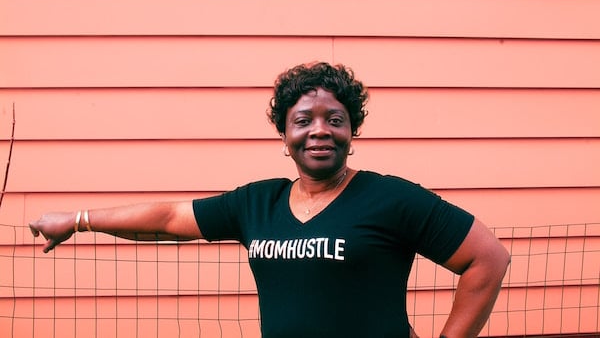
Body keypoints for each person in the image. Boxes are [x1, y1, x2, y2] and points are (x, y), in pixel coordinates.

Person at [29, 62, 510, 338]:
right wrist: (78, 219)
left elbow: (487, 258)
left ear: (351, 132)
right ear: (284, 136)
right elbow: (171, 215)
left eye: (334, 119)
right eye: (303, 120)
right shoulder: (258, 204)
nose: (319, 129)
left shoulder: (390, 198)